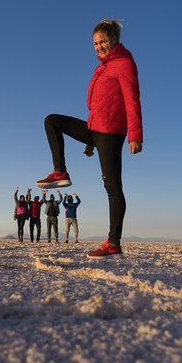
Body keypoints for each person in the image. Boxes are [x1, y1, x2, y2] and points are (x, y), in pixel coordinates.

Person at [35, 19, 143, 258]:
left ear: (114, 39)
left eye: (103, 41)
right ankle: (60, 172)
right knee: (52, 120)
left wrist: (135, 135)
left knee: (113, 187)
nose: (99, 46)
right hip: (96, 129)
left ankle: (113, 243)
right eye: (95, 43)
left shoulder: (124, 63)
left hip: (112, 132)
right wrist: (90, 140)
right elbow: (100, 107)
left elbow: (131, 100)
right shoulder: (102, 67)